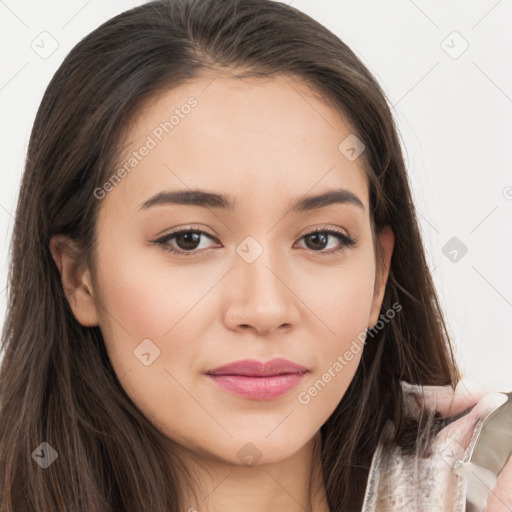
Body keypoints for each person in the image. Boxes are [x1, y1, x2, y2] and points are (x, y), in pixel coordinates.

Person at [0, 0, 510, 510]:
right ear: (78, 278)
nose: (265, 309)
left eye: (319, 239)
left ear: (378, 278)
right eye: (189, 239)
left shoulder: (489, 483)